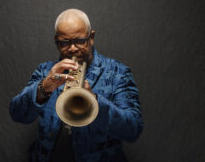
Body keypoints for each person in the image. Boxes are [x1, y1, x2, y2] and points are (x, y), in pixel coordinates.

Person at [10, 9, 143, 162]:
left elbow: (133, 129)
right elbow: (17, 114)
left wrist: (94, 101)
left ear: (91, 37)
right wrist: (43, 87)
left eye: (79, 41)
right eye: (65, 43)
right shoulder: (45, 71)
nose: (72, 48)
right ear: (56, 41)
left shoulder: (117, 73)